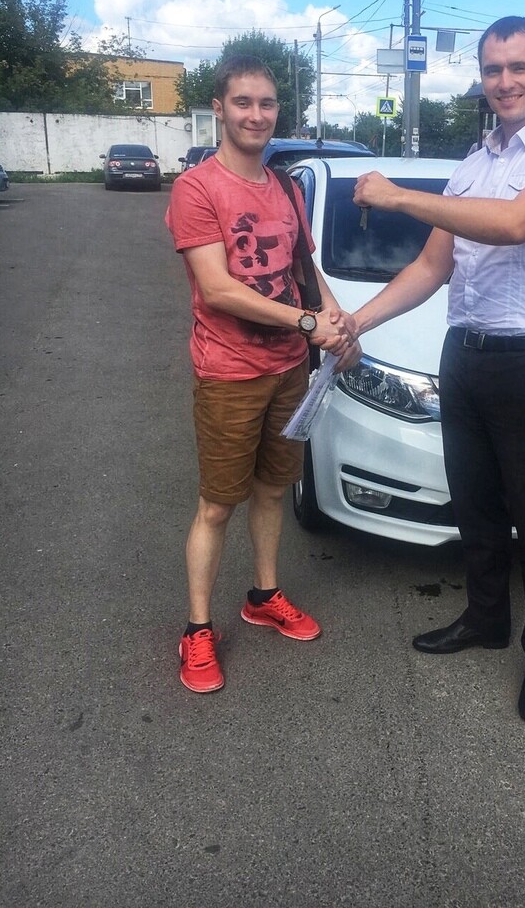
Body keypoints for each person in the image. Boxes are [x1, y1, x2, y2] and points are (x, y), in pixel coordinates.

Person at [352, 17, 525, 723]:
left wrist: (398, 195)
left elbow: (515, 223)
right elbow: (433, 266)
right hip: (463, 354)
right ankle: (486, 619)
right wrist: (357, 323)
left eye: (518, 67)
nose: (504, 81)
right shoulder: (472, 164)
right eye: (493, 70)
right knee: (477, 507)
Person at [165, 55, 361, 693]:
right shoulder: (197, 188)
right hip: (229, 372)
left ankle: (263, 596)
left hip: (287, 372)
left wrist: (340, 323)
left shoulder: (285, 186)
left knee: (274, 491)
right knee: (218, 505)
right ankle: (197, 629)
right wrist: (308, 323)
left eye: (267, 103)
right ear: (219, 108)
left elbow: (305, 268)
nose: (257, 114)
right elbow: (218, 289)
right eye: (243, 102)